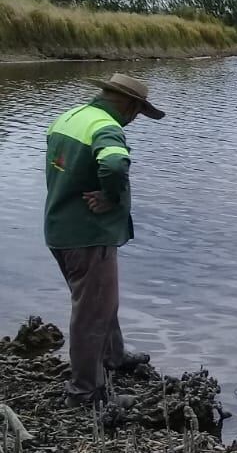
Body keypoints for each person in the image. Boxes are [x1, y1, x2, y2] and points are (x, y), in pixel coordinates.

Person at [45, 73, 165, 407]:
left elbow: (60, 166)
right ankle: (85, 392)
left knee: (101, 301)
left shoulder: (69, 118)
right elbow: (113, 164)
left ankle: (114, 356)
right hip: (88, 236)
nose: (135, 119)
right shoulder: (106, 127)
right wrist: (111, 198)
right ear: (129, 104)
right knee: (91, 314)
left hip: (59, 227)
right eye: (138, 112)